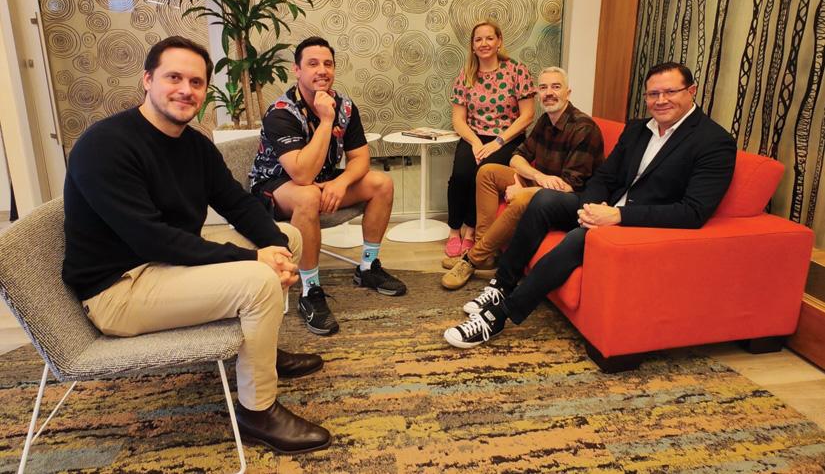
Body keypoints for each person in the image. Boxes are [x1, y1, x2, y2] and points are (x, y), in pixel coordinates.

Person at [62, 36, 331, 453]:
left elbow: (237, 202)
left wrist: (273, 245)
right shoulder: (105, 145)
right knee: (259, 281)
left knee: (288, 237)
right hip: (120, 287)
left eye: (196, 81)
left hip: (166, 261)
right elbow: (151, 238)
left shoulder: (193, 144)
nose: (186, 89)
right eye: (173, 77)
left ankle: (258, 351)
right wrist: (254, 258)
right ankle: (257, 412)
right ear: (147, 80)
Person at [443, 62, 737, 348]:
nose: (660, 101)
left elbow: (693, 212)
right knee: (544, 201)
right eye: (653, 94)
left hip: (640, 224)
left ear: (691, 91)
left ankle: (498, 316)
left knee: (577, 237)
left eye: (670, 92)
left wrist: (617, 215)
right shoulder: (638, 129)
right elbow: (605, 176)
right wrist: (589, 208)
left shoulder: (714, 142)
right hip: (602, 207)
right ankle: (501, 285)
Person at [250, 36, 406, 337]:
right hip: (275, 184)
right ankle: (310, 291)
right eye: (312, 64)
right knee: (308, 195)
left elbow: (360, 158)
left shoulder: (345, 105)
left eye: (328, 64)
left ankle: (367, 268)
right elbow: (301, 174)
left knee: (381, 183)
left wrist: (341, 182)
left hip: (320, 178)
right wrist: (325, 121)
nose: (322, 70)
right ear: (297, 70)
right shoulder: (281, 111)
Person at [441, 66, 604, 291]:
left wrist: (525, 190)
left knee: (522, 200)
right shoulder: (546, 121)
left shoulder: (584, 128)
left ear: (568, 92)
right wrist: (536, 176)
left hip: (569, 201)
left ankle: (472, 259)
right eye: (544, 87)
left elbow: (570, 186)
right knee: (487, 172)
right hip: (544, 183)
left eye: (556, 87)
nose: (549, 93)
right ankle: (484, 249)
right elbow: (518, 157)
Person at [446, 20, 536, 257]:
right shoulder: (466, 75)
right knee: (461, 174)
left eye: (489, 38)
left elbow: (527, 115)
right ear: (473, 46)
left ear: (499, 42)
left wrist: (498, 142)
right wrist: (476, 142)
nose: (484, 43)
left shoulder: (517, 71)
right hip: (474, 136)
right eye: (478, 39)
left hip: (508, 137)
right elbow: (458, 119)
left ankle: (471, 230)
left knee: (482, 172)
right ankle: (454, 230)